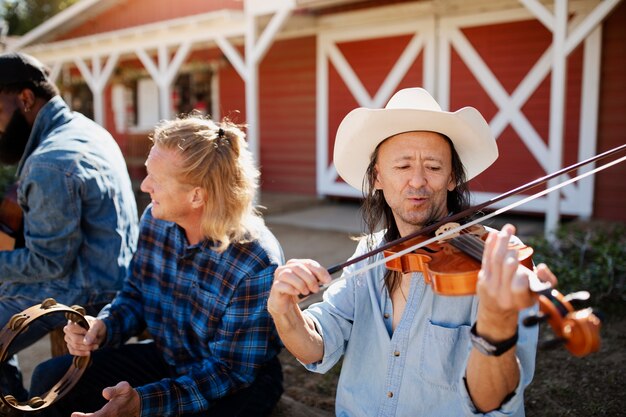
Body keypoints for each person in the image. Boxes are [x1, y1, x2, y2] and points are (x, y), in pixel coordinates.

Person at [267, 88, 558, 416]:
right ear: (378, 177)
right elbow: (317, 346)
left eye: (433, 167)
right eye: (402, 166)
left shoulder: (492, 265)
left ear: (452, 178)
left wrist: (497, 323)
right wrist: (284, 310)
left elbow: (492, 401)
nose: (417, 181)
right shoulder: (372, 252)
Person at [30, 115, 285, 417]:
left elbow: (230, 373)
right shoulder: (155, 219)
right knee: (49, 379)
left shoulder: (254, 262)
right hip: (170, 357)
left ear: (196, 196)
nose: (145, 185)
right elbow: (136, 291)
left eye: (156, 179)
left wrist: (142, 403)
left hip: (236, 382)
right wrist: (103, 327)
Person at [0, 52, 138, 400]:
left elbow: (47, 263)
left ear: (26, 99)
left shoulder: (49, 162)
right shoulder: (86, 129)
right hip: (111, 276)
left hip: (86, 292)